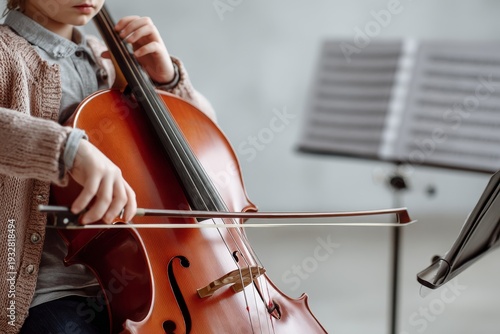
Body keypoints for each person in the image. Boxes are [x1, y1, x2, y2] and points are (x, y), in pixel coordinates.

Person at [0, 0, 215, 333]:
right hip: (47, 294)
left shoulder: (107, 58)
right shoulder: (5, 52)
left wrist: (166, 81)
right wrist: (66, 150)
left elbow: (206, 139)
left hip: (143, 284)